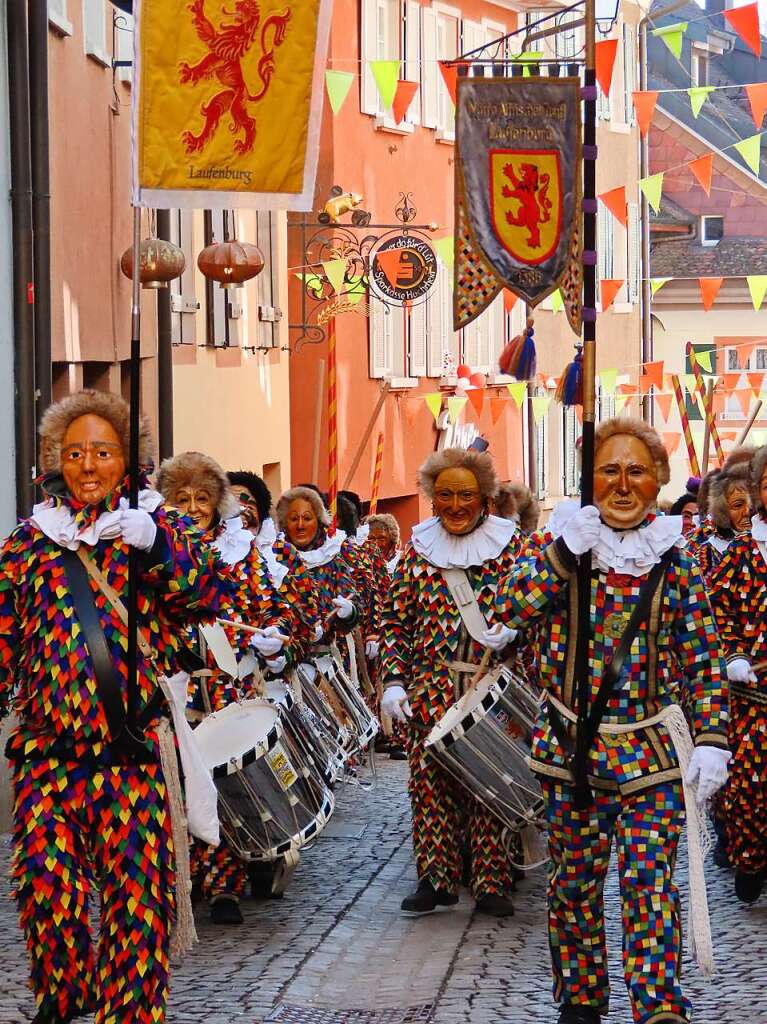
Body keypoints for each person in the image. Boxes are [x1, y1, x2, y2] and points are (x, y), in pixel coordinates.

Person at [0, 390, 225, 1024]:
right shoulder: (28, 543)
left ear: (128, 461)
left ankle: (127, 1011)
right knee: (48, 888)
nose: (88, 465)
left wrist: (155, 545)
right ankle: (62, 993)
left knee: (135, 901)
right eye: (74, 454)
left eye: (103, 451)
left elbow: (207, 595)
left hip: (129, 756)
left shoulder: (156, 531)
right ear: (55, 461)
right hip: (48, 754)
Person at [496, 417, 729, 1024]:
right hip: (571, 753)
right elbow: (505, 613)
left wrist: (711, 740)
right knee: (573, 888)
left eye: (636, 471)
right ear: (588, 478)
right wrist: (559, 556)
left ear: (657, 482)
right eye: (608, 470)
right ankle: (579, 1000)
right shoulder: (562, 548)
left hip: (649, 754)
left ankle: (657, 1007)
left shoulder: (676, 561)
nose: (622, 485)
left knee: (650, 889)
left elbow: (703, 660)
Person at [157, 452, 301, 925]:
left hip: (225, 688)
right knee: (173, 787)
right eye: (182, 498)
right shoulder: (154, 554)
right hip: (174, 690)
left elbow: (276, 610)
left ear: (218, 503)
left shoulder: (243, 553)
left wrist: (272, 637)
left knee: (221, 786)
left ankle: (223, 886)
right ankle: (180, 879)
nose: (193, 507)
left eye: (202, 498)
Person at [378, 447, 521, 918]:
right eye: (444, 496)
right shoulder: (417, 552)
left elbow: (538, 604)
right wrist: (394, 682)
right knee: (429, 783)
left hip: (491, 684)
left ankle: (491, 879)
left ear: (484, 497)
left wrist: (517, 631)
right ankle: (435, 878)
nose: (455, 505)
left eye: (465, 495)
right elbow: (396, 624)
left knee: (489, 780)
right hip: (432, 687)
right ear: (431, 499)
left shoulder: (512, 547)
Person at [708, 444, 767, 904]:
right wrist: (732, 656)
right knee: (746, 786)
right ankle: (748, 857)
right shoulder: (742, 553)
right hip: (752, 696)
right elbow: (716, 614)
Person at [694, 461, 752, 585]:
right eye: (738, 505)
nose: (747, 512)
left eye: (753, 505)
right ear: (722, 511)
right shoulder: (708, 553)